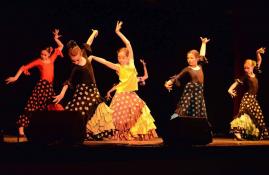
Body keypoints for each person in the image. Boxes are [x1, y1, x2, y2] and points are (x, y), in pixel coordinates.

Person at [90, 21, 158, 140]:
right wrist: (93, 57)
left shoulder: (131, 64)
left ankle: (136, 134)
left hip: (131, 94)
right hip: (121, 94)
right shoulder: (118, 67)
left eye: (122, 57)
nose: (120, 59)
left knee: (138, 113)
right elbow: (106, 62)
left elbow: (128, 43)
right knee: (119, 116)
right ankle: (118, 134)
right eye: (119, 57)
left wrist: (118, 32)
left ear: (128, 57)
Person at [53, 29, 115, 140]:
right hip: (82, 91)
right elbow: (68, 81)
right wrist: (61, 94)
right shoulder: (75, 67)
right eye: (73, 61)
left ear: (81, 53)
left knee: (97, 109)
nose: (75, 63)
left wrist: (94, 33)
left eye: (76, 60)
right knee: (79, 110)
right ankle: (79, 132)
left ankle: (94, 132)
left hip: (93, 89)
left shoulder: (85, 53)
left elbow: (89, 42)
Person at [5, 29, 64, 136]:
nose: (42, 56)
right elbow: (24, 67)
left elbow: (61, 47)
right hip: (41, 87)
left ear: (49, 53)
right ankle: (21, 128)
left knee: (50, 107)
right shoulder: (39, 61)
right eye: (41, 54)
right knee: (32, 106)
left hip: (49, 87)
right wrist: (15, 77)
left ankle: (52, 130)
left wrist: (55, 39)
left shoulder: (52, 59)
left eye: (45, 54)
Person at [228, 47, 268, 140]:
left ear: (253, 67)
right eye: (245, 68)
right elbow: (236, 83)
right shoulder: (246, 76)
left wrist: (257, 52)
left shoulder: (256, 73)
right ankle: (237, 132)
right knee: (244, 114)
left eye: (248, 68)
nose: (246, 69)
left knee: (256, 116)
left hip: (253, 99)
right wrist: (229, 90)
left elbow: (259, 60)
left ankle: (249, 133)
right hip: (247, 98)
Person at [164, 37, 209, 120]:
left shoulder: (200, 66)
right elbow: (178, 76)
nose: (189, 60)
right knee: (183, 108)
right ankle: (173, 120)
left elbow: (202, 55)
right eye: (188, 58)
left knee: (198, 111)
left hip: (199, 92)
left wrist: (203, 43)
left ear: (197, 58)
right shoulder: (188, 69)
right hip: (190, 91)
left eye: (191, 58)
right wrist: (168, 83)